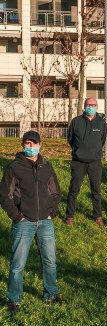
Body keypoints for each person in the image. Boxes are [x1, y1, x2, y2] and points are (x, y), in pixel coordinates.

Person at [0, 131, 63, 315]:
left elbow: (55, 192)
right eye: (27, 143)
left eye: (34, 143)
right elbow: (4, 195)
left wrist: (52, 212)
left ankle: (50, 294)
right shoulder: (14, 167)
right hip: (24, 223)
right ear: (22, 145)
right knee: (18, 264)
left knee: (50, 261)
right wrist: (17, 216)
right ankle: (14, 299)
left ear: (40, 145)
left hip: (45, 222)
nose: (30, 147)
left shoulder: (47, 167)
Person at [65, 97, 107, 227]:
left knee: (96, 191)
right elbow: (70, 139)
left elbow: (102, 140)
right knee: (74, 190)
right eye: (88, 104)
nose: (90, 106)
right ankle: (70, 217)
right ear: (84, 106)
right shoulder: (76, 121)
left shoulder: (102, 123)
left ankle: (98, 216)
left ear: (97, 106)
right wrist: (79, 151)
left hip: (95, 162)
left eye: (93, 105)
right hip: (78, 162)